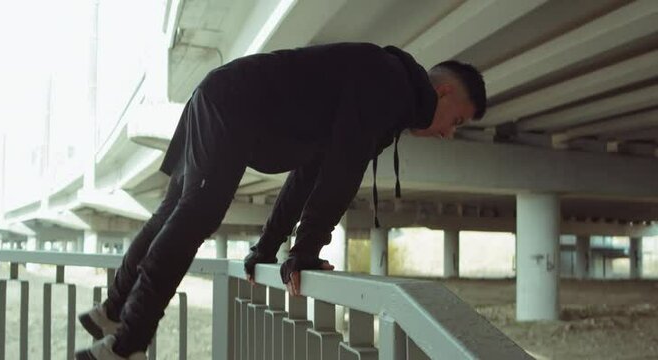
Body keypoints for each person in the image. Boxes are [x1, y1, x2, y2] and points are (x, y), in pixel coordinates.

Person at [74, 42, 486, 360]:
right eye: (457, 121)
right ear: (444, 92)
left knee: (175, 211)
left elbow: (310, 171)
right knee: (194, 216)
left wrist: (269, 247)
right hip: (232, 103)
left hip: (224, 95)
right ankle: (126, 345)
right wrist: (305, 250)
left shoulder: (386, 86)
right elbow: (342, 172)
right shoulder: (390, 87)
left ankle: (113, 310)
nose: (450, 132)